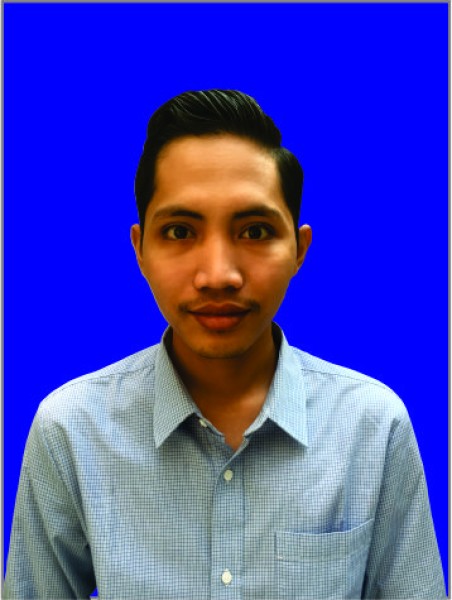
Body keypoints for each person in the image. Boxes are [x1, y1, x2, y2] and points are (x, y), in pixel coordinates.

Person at [4, 89, 445, 600]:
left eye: (255, 231)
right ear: (140, 249)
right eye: (179, 231)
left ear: (299, 249)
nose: (218, 275)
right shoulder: (70, 428)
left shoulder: (372, 425)